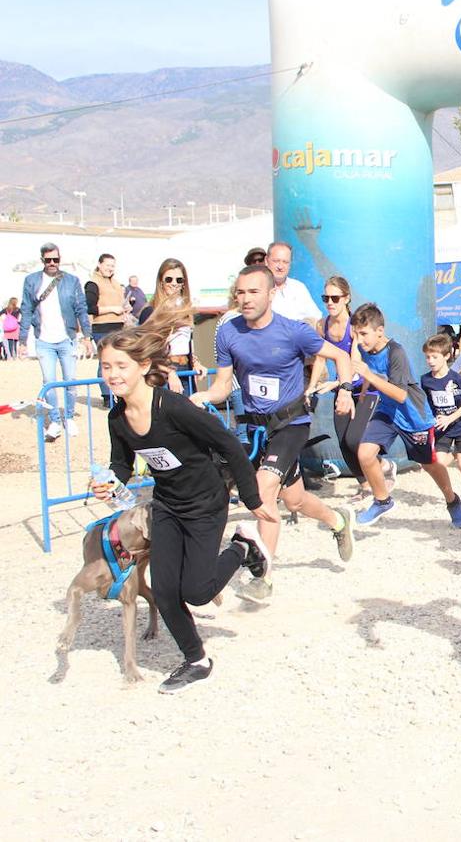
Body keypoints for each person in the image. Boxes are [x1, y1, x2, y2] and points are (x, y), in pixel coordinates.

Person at [94, 323, 271, 694]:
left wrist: (253, 501)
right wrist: (111, 482)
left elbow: (229, 445)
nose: (112, 374)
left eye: (120, 366)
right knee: (165, 589)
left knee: (198, 591)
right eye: (106, 366)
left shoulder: (173, 407)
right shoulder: (117, 418)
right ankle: (196, 661)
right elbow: (122, 462)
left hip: (206, 503)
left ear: (142, 366)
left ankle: (243, 547)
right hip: (168, 507)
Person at [189, 265, 357, 603]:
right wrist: (203, 396)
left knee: (263, 491)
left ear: (271, 294)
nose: (245, 298)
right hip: (254, 427)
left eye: (253, 292)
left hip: (290, 424)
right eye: (241, 292)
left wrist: (345, 390)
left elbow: (340, 355)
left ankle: (262, 577)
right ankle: (338, 520)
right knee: (293, 500)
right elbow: (223, 385)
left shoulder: (293, 332)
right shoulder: (228, 332)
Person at [347, 303, 461, 529]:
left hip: (413, 416)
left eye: (363, 334)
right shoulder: (365, 347)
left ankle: (452, 500)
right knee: (364, 453)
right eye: (356, 334)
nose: (359, 339)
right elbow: (367, 366)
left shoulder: (396, 352)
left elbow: (401, 395)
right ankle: (382, 500)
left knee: (429, 465)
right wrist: (364, 385)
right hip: (387, 411)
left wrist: (368, 377)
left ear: (380, 331)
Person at [308, 276, 379, 504]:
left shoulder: (353, 327)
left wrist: (340, 384)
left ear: (346, 298)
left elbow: (354, 361)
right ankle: (365, 486)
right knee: (342, 441)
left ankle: (384, 466)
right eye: (325, 297)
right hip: (341, 386)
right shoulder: (322, 325)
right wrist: (310, 388)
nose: (330, 302)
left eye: (335, 298)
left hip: (361, 387)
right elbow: (320, 359)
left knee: (354, 438)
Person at [19, 242, 92, 441]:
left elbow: (81, 309)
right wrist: (22, 340)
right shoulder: (31, 281)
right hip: (44, 339)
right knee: (49, 382)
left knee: (70, 380)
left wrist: (87, 336)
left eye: (56, 259)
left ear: (60, 260)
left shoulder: (72, 281)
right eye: (48, 259)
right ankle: (55, 421)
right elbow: (25, 309)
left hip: (66, 338)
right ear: (42, 259)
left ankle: (68, 417)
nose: (52, 263)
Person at [421, 333, 461, 509]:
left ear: (446, 356)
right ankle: (454, 455)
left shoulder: (455, 379)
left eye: (434, 357)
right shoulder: (426, 380)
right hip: (442, 427)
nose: (430, 361)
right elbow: (429, 404)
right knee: (437, 463)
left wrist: (450, 418)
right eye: (428, 357)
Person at [139, 259, 205, 395]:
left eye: (179, 280)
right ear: (161, 282)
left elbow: (186, 342)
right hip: (162, 372)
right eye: (169, 279)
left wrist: (195, 362)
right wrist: (169, 372)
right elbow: (147, 351)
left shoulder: (185, 310)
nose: (174, 283)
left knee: (188, 414)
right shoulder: (151, 311)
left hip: (185, 369)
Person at [85, 254, 130, 403]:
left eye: (112, 266)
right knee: (105, 361)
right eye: (107, 265)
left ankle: (119, 393)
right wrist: (112, 309)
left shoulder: (116, 283)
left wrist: (125, 308)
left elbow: (120, 304)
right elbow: (90, 307)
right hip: (102, 327)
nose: (110, 268)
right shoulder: (92, 283)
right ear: (99, 264)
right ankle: (106, 396)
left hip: (119, 326)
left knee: (119, 360)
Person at [265, 241, 322, 324]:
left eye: (285, 262)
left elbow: (316, 317)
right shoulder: (257, 288)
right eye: (276, 261)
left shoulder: (298, 288)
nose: (280, 266)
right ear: (266, 260)